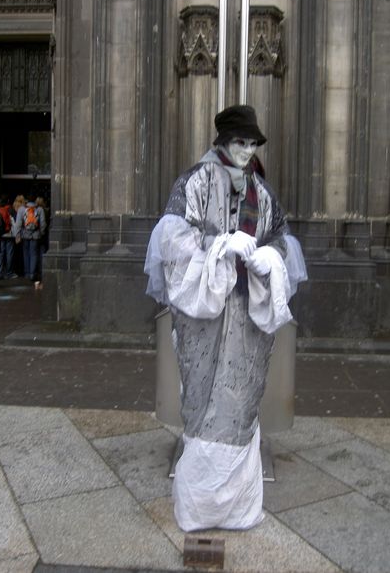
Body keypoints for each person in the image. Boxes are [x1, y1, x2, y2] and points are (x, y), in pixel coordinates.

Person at [145, 105, 307, 532]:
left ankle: (238, 506)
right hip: (204, 319)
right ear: (222, 142)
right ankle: (199, 507)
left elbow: (282, 240)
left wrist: (269, 257)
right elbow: (172, 239)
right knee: (201, 401)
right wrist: (219, 247)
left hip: (247, 320)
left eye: (252, 144)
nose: (246, 150)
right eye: (240, 142)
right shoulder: (194, 182)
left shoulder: (262, 192)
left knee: (240, 403)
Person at [15, 194, 46, 288]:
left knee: (26, 254)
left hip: (25, 235)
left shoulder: (21, 209)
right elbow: (43, 223)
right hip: (35, 236)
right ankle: (33, 274)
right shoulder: (40, 209)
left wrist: (17, 235)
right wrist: (41, 233)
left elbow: (18, 223)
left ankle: (27, 273)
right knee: (34, 254)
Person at [0, 196, 17, 280]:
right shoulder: (10, 209)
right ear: (8, 201)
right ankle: (9, 272)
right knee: (9, 254)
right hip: (9, 234)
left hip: (0, 235)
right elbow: (15, 221)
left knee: (0, 254)